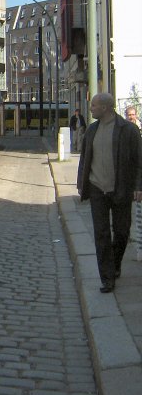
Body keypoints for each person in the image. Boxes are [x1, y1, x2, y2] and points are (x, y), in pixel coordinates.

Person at [77, 93, 142, 293]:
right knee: (101, 234)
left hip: (121, 187)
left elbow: (139, 161)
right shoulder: (91, 130)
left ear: (105, 107)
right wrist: (81, 182)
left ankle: (114, 263)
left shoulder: (129, 130)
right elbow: (84, 159)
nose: (91, 108)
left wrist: (138, 186)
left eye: (94, 105)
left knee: (122, 232)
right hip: (97, 188)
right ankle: (107, 277)